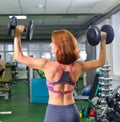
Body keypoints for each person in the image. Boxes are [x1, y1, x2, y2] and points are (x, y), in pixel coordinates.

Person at [14, 25, 106, 122]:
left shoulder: (47, 65)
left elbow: (19, 57)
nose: (50, 44)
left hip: (54, 112)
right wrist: (103, 41)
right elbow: (101, 62)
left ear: (60, 46)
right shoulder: (78, 67)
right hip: (72, 112)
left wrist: (17, 35)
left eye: (53, 42)